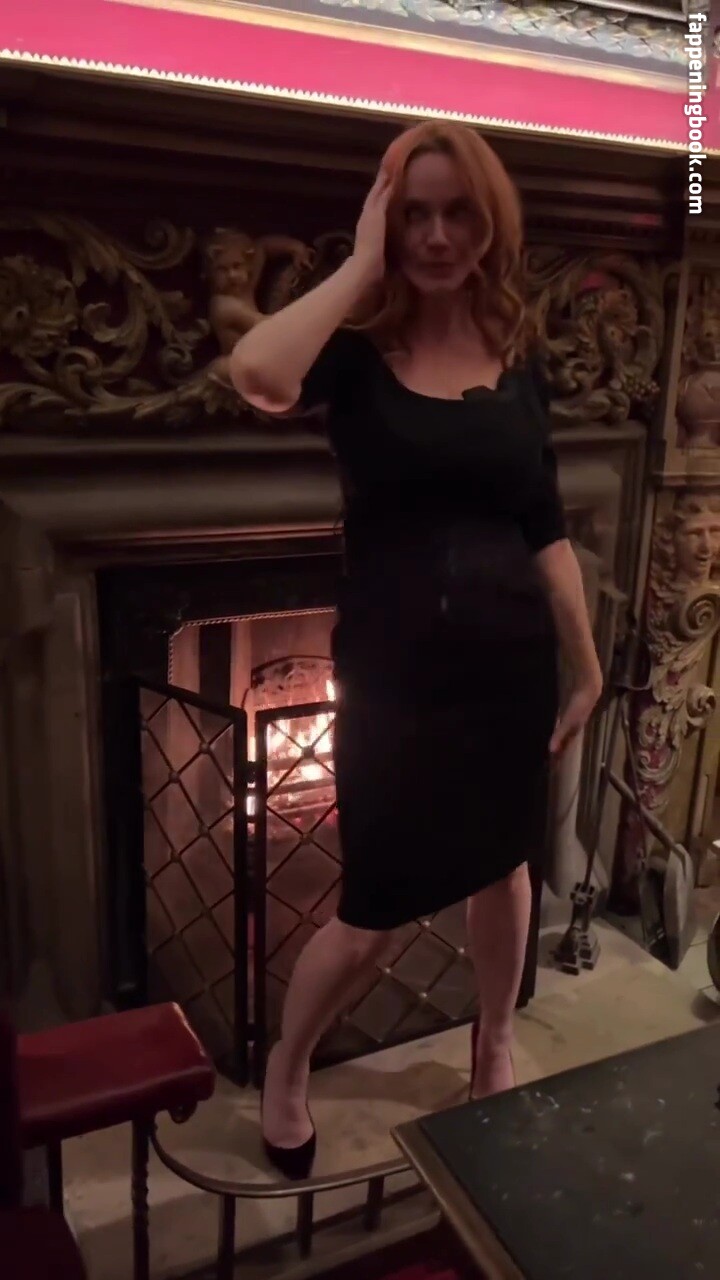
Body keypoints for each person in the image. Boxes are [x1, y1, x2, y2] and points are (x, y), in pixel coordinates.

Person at [230, 121, 603, 1180]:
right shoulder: (354, 359)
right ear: (388, 224)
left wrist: (583, 662)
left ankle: (493, 1043)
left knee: (506, 863)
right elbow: (256, 371)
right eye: (415, 215)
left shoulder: (519, 361)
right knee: (371, 911)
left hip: (509, 669)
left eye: (458, 213)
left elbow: (544, 525)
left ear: (491, 223)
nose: (437, 236)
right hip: (396, 676)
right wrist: (359, 265)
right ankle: (287, 1068)